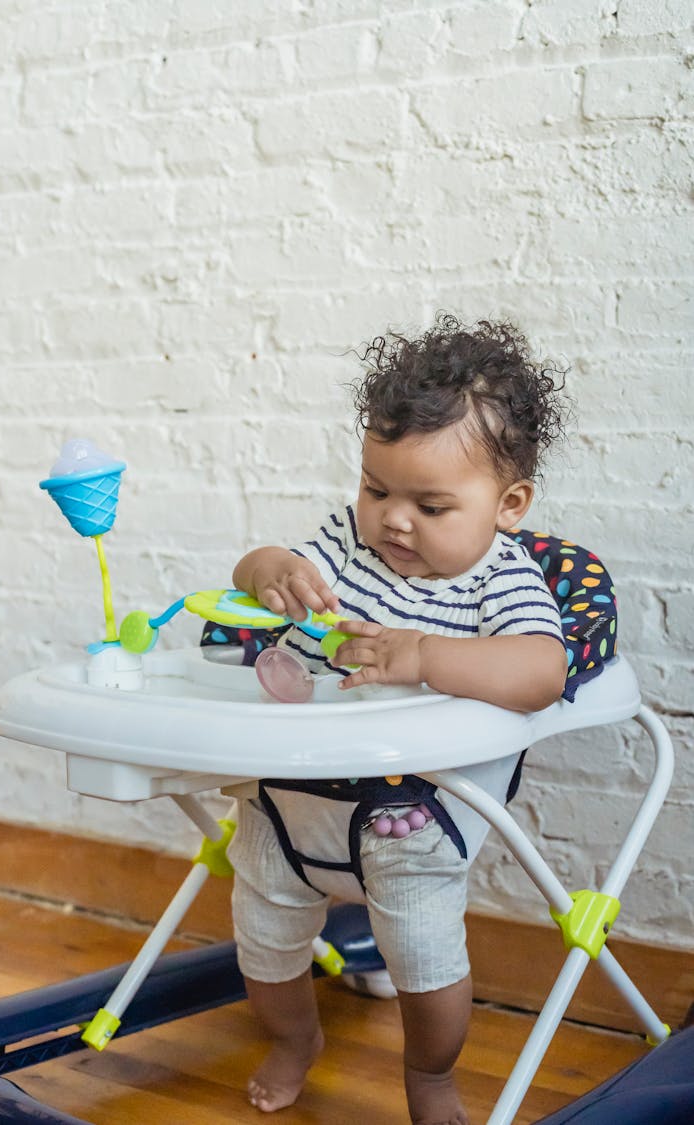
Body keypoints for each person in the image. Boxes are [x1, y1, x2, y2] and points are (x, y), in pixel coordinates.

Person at [228, 313, 569, 1124]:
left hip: (411, 814)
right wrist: (269, 567)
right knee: (264, 942)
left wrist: (423, 655)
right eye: (377, 488)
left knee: (424, 959)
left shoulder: (499, 577)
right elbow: (253, 574)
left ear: (508, 503)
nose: (394, 519)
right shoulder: (348, 541)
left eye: (431, 503)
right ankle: (293, 1038)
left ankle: (431, 1077)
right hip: (289, 796)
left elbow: (540, 672)